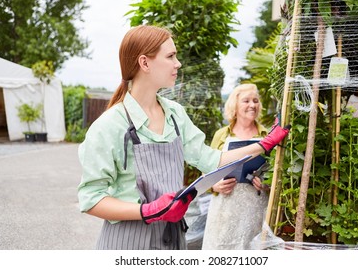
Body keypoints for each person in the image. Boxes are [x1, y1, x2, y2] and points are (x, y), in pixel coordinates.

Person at [77, 25, 290, 250]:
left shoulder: (175, 114)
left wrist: (263, 144)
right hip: (127, 242)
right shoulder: (109, 125)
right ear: (144, 63)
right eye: (170, 56)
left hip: (172, 239)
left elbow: (212, 160)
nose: (178, 63)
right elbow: (92, 199)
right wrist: (148, 211)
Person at [202, 84, 274, 250]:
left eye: (255, 101)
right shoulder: (222, 135)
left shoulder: (267, 136)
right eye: (246, 101)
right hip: (224, 209)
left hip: (254, 207)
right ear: (235, 105)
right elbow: (205, 169)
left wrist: (266, 185)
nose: (252, 105)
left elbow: (275, 173)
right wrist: (214, 185)